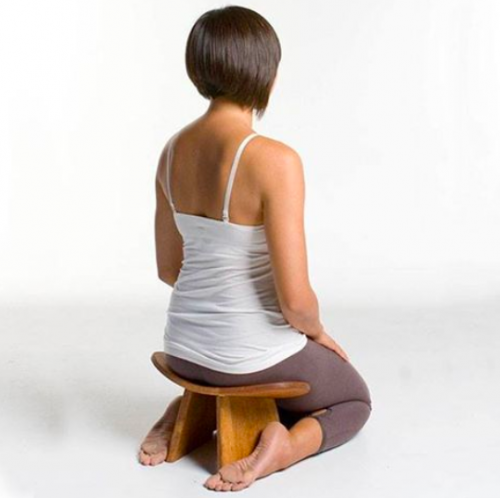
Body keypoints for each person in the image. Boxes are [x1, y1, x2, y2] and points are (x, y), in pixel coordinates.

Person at [138, 5, 372, 492]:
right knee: (353, 400)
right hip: (245, 359)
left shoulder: (171, 153)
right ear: (267, 72)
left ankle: (188, 411)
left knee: (251, 374)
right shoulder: (274, 160)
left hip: (182, 351)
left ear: (196, 67)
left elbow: (168, 269)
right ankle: (282, 450)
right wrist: (319, 334)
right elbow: (296, 302)